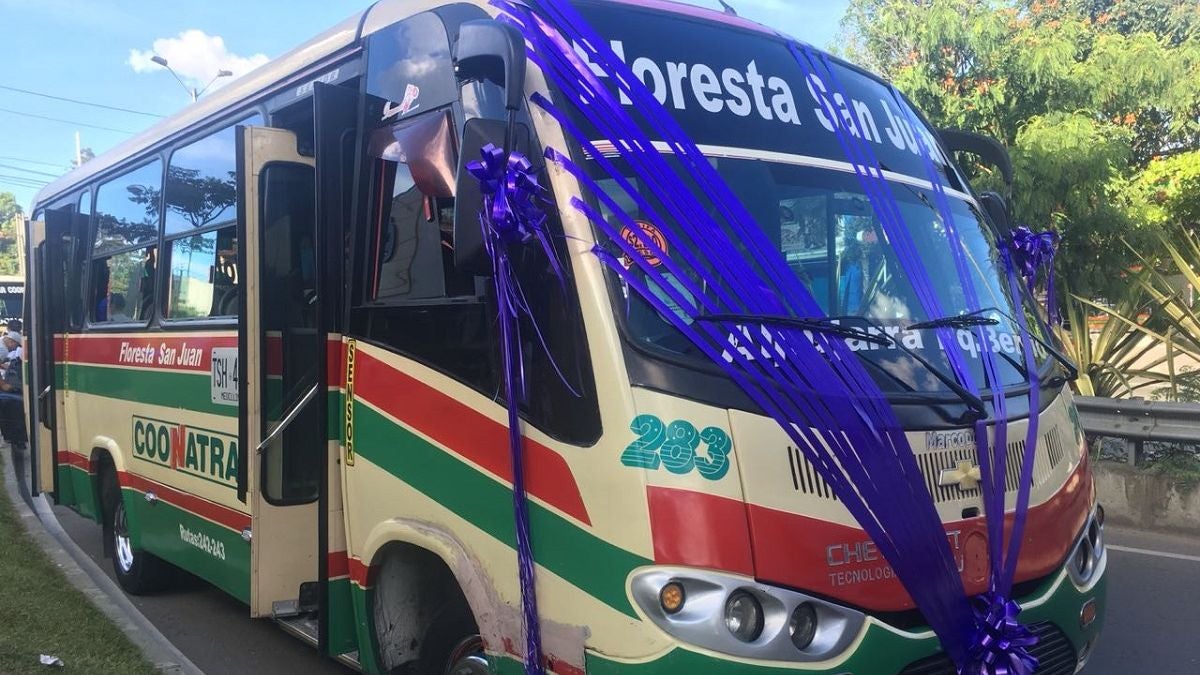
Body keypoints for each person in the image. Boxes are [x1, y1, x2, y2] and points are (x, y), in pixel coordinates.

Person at [0, 332, 26, 451]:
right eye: (15, 346)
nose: (14, 349)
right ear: (11, 341)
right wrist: (3, 384)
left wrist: (5, 367)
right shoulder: (3, 350)